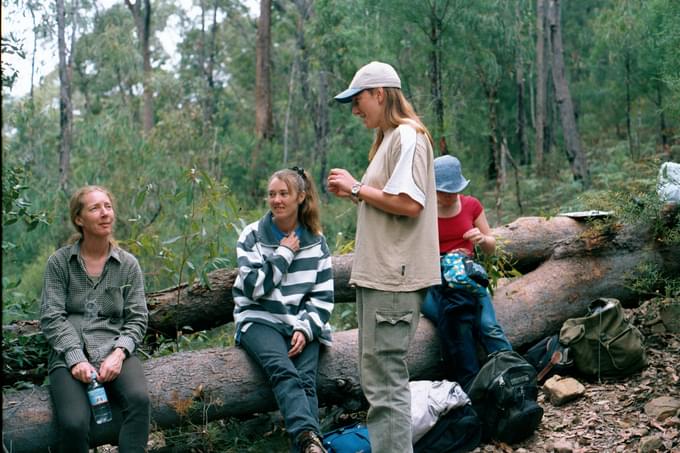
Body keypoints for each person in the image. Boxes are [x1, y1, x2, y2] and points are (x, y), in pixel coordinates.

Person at [327, 61, 441, 452]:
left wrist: (357, 188)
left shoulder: (407, 136)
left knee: (386, 382)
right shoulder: (391, 139)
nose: (356, 110)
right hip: (382, 278)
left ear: (379, 94)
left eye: (358, 100)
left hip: (394, 278)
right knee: (378, 380)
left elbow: (409, 203)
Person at [40, 186, 150, 453]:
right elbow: (51, 317)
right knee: (74, 423)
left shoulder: (127, 265)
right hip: (67, 355)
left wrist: (120, 352)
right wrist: (75, 357)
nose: (105, 214)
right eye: (95, 208)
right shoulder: (60, 263)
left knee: (139, 400)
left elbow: (137, 318)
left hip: (113, 346)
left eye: (108, 207)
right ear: (79, 219)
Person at [232, 167, 334, 453]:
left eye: (283, 194)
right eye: (272, 194)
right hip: (259, 319)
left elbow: (323, 296)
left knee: (306, 382)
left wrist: (305, 327)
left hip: (300, 322)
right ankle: (309, 441)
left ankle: (308, 447)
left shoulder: (316, 241)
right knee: (284, 372)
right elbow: (253, 286)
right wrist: (285, 254)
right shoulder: (252, 235)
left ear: (300, 197)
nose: (276, 200)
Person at [422, 155, 512, 380]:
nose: (450, 196)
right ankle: (470, 385)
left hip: (466, 277)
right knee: (453, 326)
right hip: (434, 279)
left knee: (489, 326)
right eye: (444, 192)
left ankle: (513, 374)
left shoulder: (471, 205)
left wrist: (481, 238)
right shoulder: (423, 210)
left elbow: (492, 246)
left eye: (454, 190)